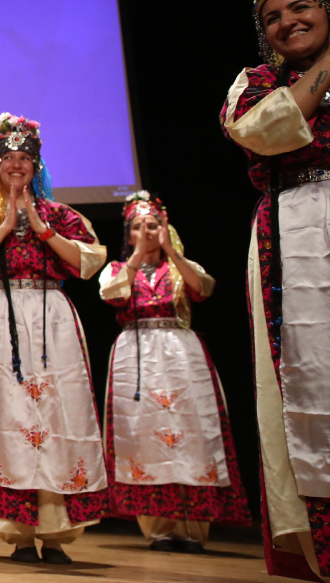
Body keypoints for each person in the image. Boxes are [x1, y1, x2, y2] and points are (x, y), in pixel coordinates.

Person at [221, 0, 330, 583]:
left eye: (301, 7)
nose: (287, 22)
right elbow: (260, 131)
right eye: (273, 15)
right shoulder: (259, 83)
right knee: (318, 388)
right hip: (297, 233)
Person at [0, 113, 108, 564]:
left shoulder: (61, 216)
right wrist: (5, 223)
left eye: (24, 159)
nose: (16, 165)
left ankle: (55, 532)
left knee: (58, 415)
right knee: (7, 416)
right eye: (8, 159)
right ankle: (17, 532)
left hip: (51, 314)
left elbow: (88, 262)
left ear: (37, 167)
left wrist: (39, 224)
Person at [99, 191, 249, 551]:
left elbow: (204, 288)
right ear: (128, 233)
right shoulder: (119, 270)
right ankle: (159, 529)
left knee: (191, 432)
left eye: (153, 225)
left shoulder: (180, 268)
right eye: (137, 226)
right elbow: (113, 295)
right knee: (144, 434)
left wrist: (173, 251)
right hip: (136, 352)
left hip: (180, 352)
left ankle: (192, 528)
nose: (146, 231)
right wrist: (136, 256)